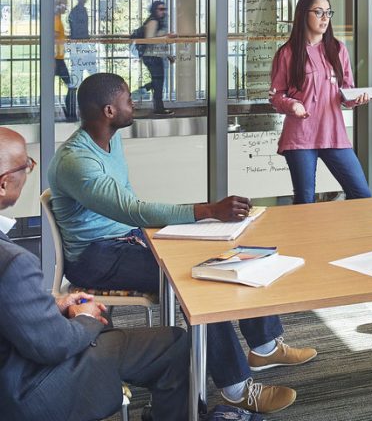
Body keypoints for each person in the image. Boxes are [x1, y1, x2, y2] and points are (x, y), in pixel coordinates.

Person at [47, 73, 316, 414]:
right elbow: (131, 209)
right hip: (97, 256)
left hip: (127, 239)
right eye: (129, 100)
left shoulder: (110, 140)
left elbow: (129, 208)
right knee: (197, 281)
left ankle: (264, 345)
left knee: (226, 258)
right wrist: (207, 210)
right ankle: (237, 388)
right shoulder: (78, 162)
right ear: (109, 111)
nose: (136, 104)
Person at [0, 127, 190, 421]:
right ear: (3, 184)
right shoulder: (14, 262)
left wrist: (54, 304)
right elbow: (53, 345)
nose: (29, 172)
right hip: (27, 389)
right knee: (174, 343)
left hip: (17, 358)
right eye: (25, 166)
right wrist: (85, 317)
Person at [270, 0, 371, 204]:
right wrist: (292, 104)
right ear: (303, 15)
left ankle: (349, 236)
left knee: (362, 194)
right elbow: (276, 95)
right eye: (318, 12)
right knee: (305, 201)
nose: (325, 18)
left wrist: (356, 98)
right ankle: (304, 238)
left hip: (333, 133)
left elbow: (346, 90)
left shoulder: (338, 49)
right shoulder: (287, 53)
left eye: (328, 12)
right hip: (300, 136)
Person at [140, 0, 175, 116]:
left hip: (156, 56)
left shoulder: (158, 22)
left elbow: (159, 44)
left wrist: (168, 55)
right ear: (154, 10)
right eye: (160, 9)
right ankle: (158, 108)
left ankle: (145, 90)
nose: (163, 12)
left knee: (158, 82)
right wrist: (166, 36)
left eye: (164, 9)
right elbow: (149, 40)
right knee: (159, 83)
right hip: (151, 57)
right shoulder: (153, 21)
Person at [68, 0, 98, 89]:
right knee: (78, 76)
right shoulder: (75, 12)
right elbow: (77, 31)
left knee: (91, 73)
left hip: (82, 46)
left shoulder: (83, 10)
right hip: (78, 46)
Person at [54, 0, 77, 121]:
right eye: (64, 5)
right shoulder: (54, 19)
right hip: (55, 59)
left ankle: (70, 113)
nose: (66, 7)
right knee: (71, 85)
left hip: (58, 58)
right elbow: (52, 37)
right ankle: (71, 114)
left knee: (70, 85)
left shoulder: (57, 18)